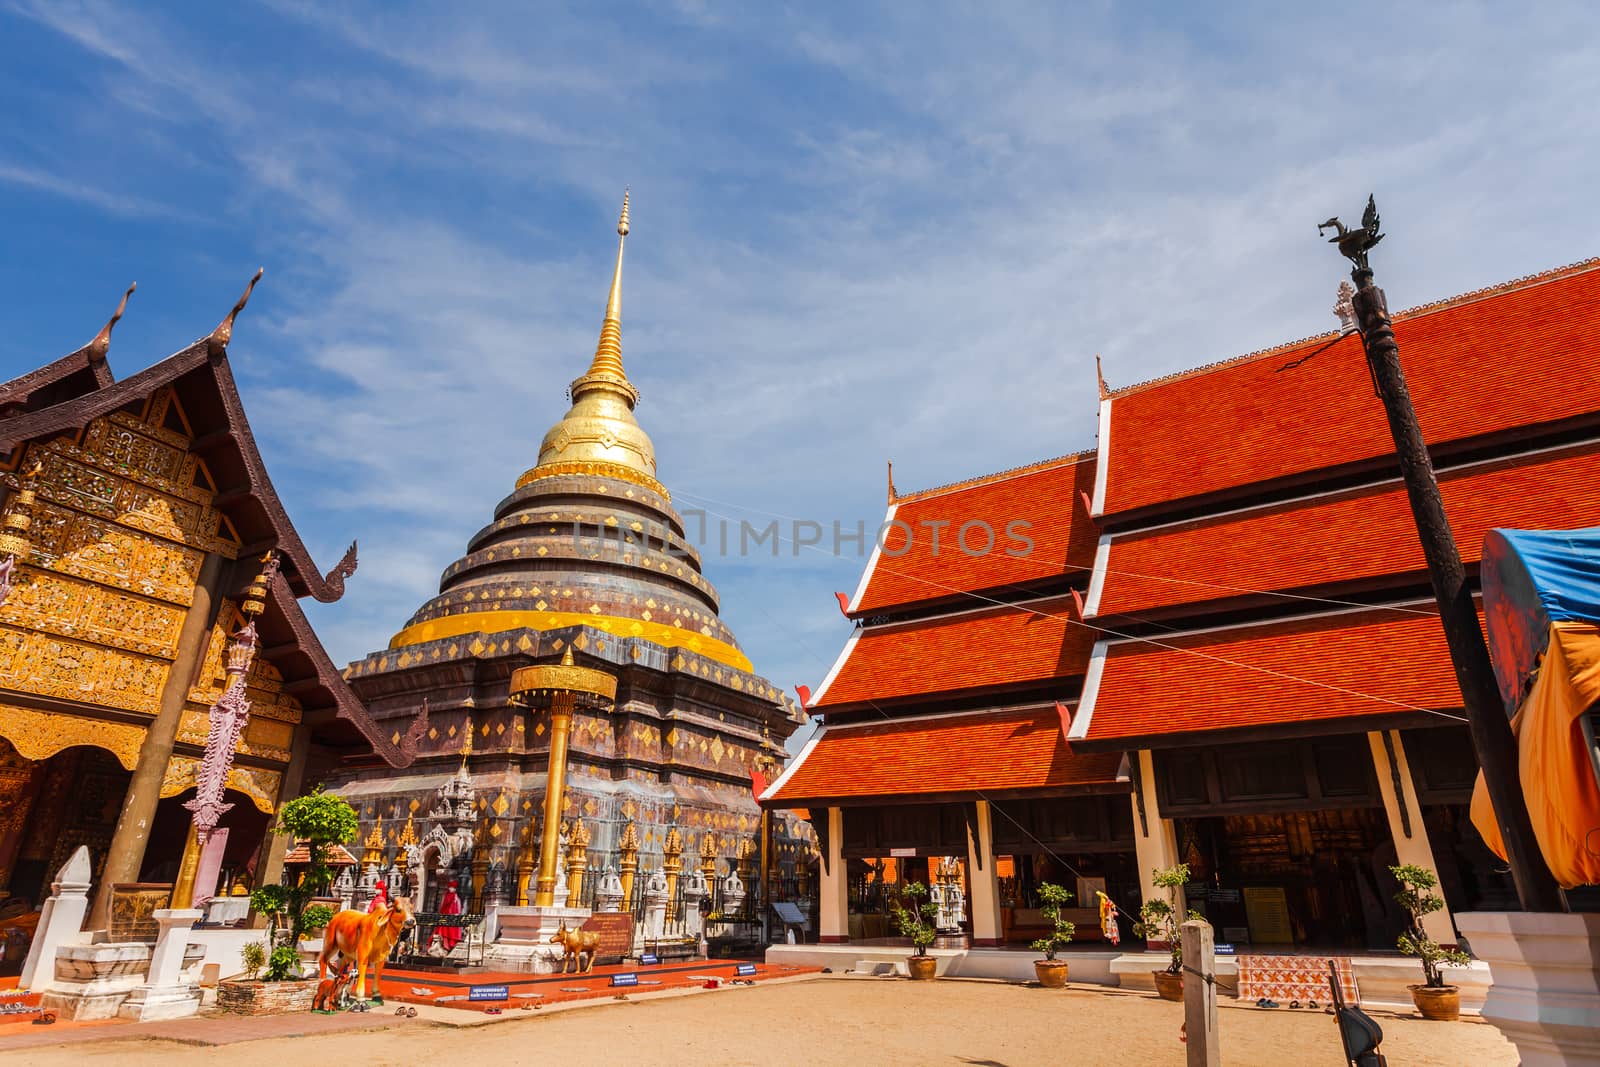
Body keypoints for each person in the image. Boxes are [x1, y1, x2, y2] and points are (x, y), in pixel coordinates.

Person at [438, 880, 463, 951]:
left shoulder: (455, 897)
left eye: (452, 887)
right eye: (450, 887)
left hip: (450, 919)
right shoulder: (451, 896)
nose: (450, 888)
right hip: (448, 918)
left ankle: (449, 945)